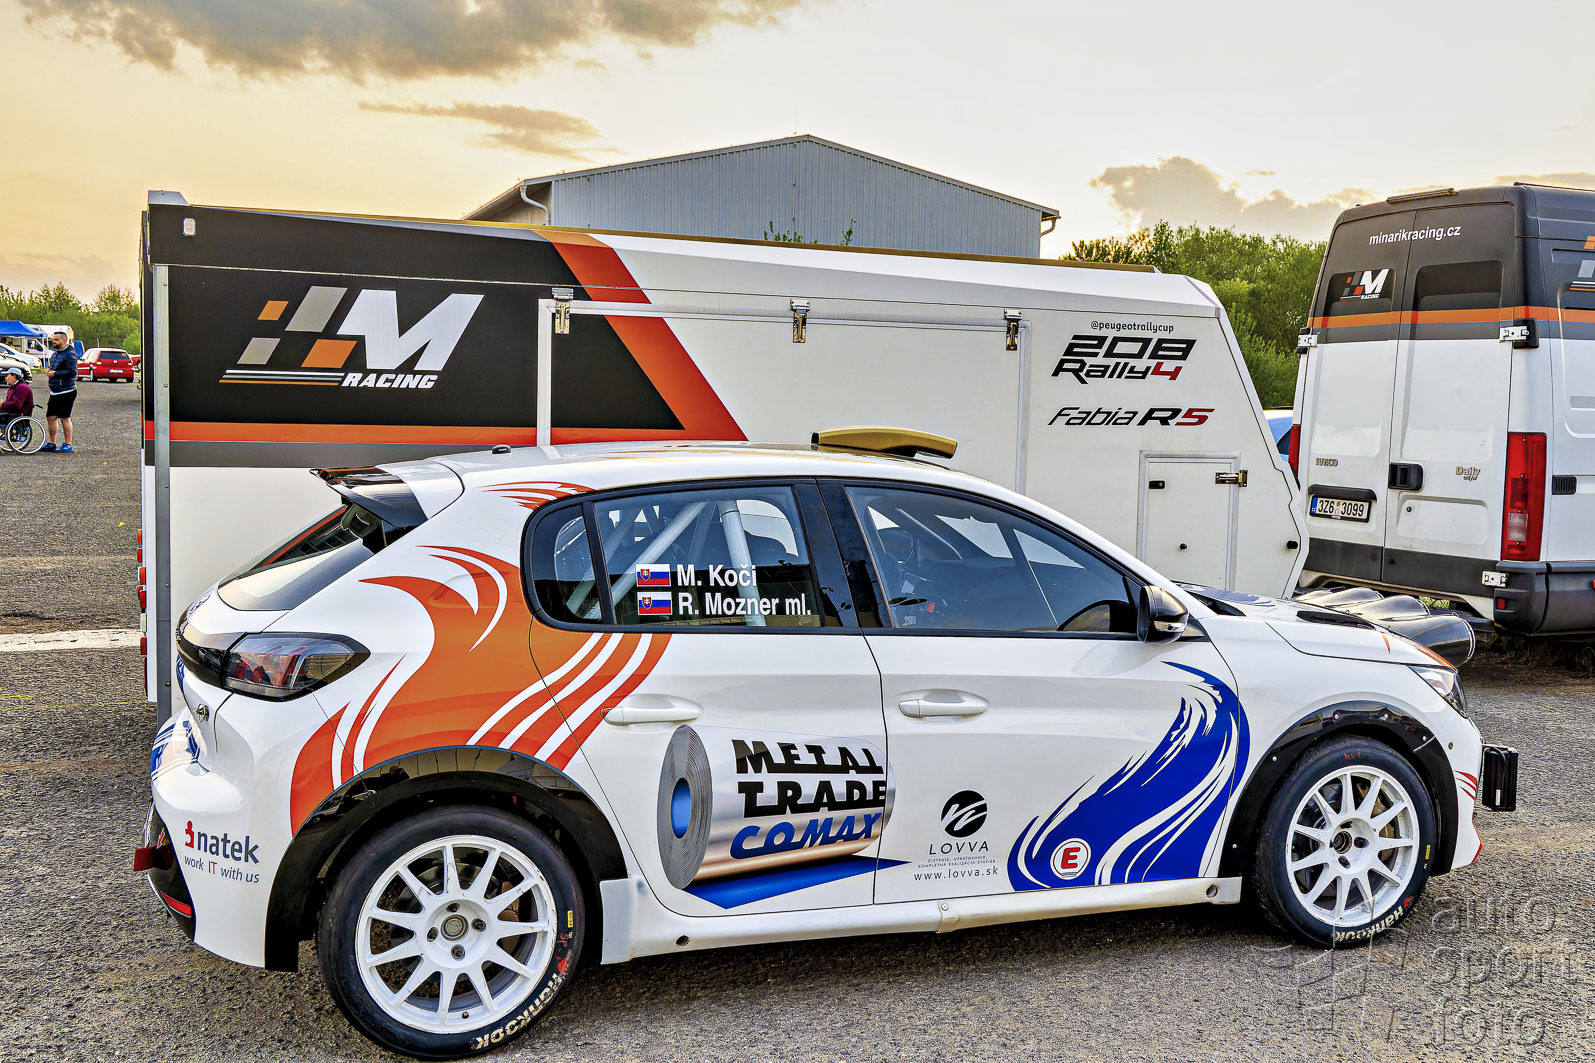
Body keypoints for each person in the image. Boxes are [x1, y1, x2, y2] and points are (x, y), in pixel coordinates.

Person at [41, 331, 76, 453]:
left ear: (64, 341)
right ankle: (52, 443)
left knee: (64, 418)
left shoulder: (69, 355)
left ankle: (68, 444)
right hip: (54, 391)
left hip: (67, 391)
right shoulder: (55, 354)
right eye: (53, 339)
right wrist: (49, 370)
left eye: (56, 340)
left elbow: (73, 372)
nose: (53, 342)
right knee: (50, 417)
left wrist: (55, 373)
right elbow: (54, 368)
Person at [1, 367, 34, 434]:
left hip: (17, 416)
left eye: (7, 375)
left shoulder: (21, 388)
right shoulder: (15, 387)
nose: (5, 378)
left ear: (14, 376)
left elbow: (17, 405)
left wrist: (3, 404)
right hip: (13, 413)